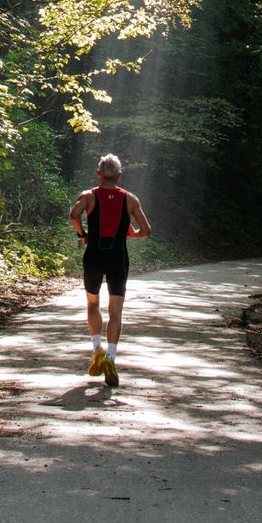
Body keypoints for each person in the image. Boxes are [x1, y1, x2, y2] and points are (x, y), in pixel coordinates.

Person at [68, 153, 152, 386]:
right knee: (116, 312)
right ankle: (111, 359)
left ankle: (97, 350)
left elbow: (74, 215)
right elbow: (146, 230)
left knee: (93, 304)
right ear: (119, 175)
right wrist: (132, 233)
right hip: (118, 258)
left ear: (98, 174)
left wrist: (82, 234)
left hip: (93, 256)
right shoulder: (130, 199)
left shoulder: (88, 196)